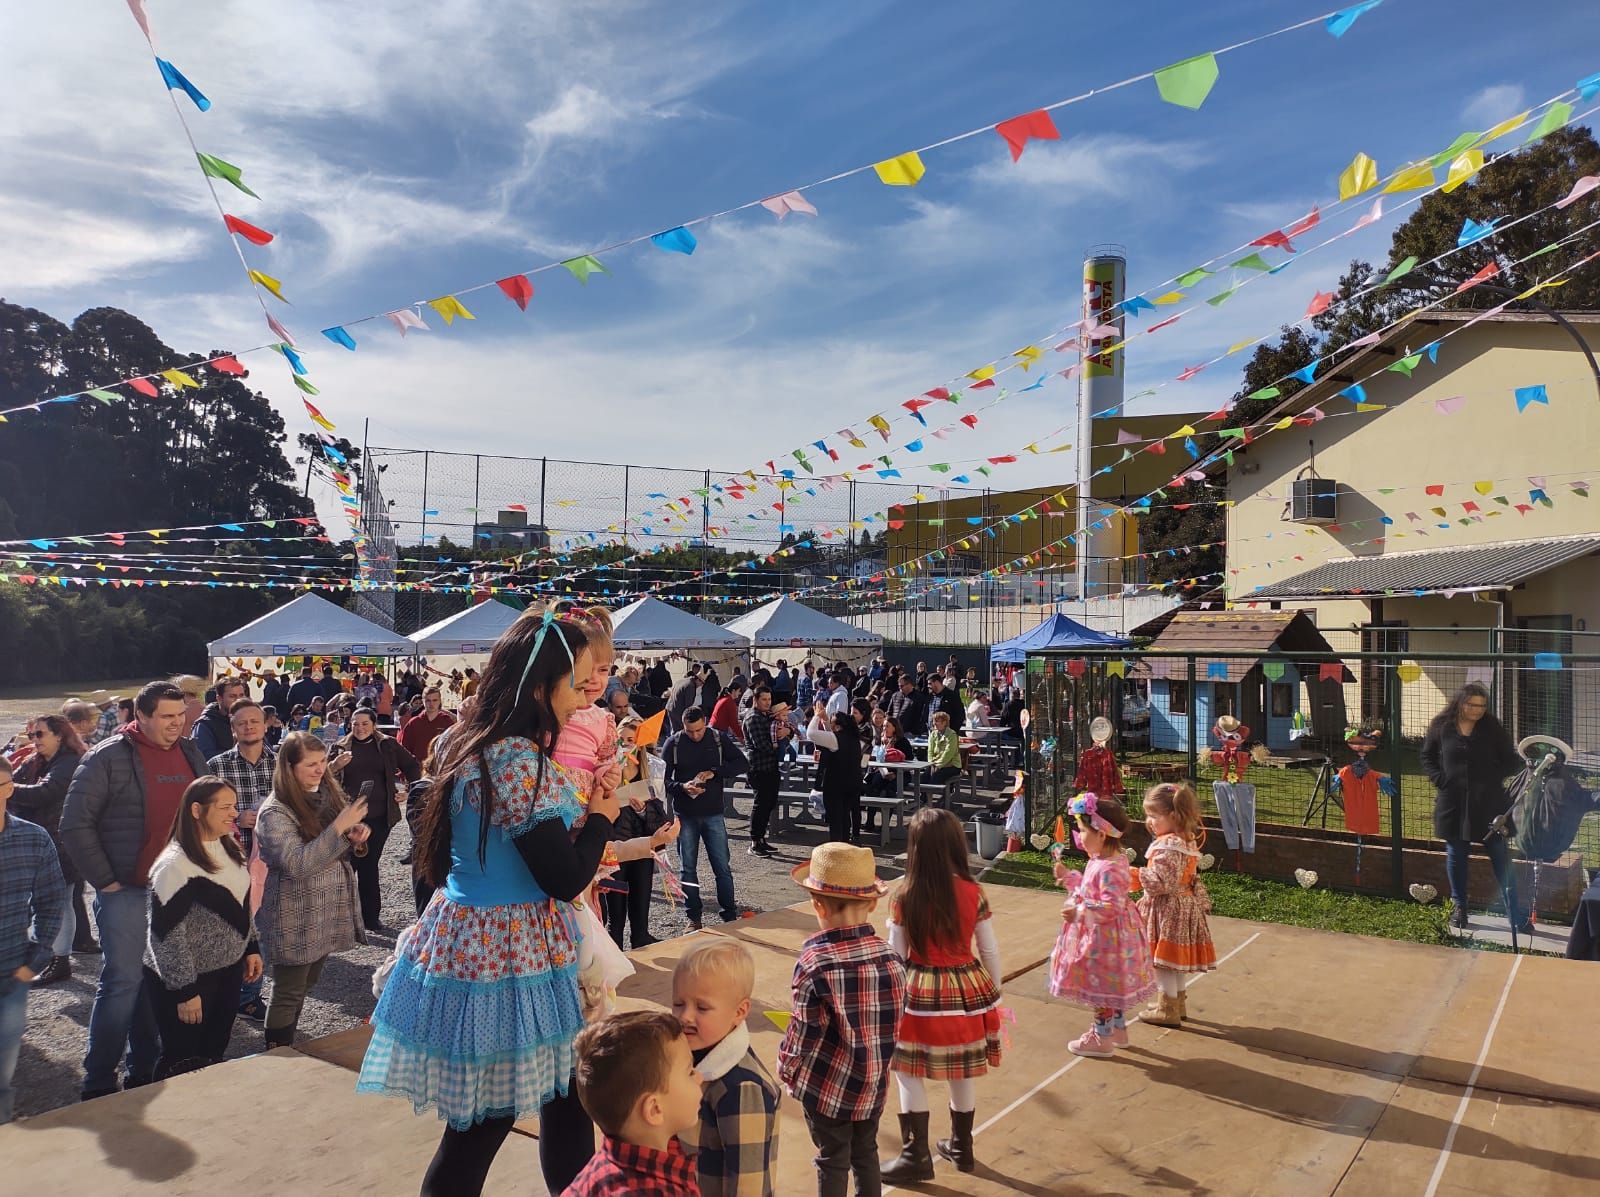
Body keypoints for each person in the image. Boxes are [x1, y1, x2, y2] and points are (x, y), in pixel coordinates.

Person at [357, 612, 617, 1197]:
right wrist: (602, 817)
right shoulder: (518, 760)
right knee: (493, 1122)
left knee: (544, 1104)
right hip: (510, 952)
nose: (582, 700)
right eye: (576, 685)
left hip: (478, 937)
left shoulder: (470, 742)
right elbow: (563, 878)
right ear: (540, 687)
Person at [62, 679, 207, 1101]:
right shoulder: (107, 757)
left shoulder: (190, 751)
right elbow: (74, 824)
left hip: (178, 889)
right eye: (166, 717)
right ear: (140, 715)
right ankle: (99, 1080)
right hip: (126, 890)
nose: (176, 724)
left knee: (155, 982)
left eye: (180, 716)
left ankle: (144, 1068)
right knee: (123, 982)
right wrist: (105, 880)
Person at [881, 808, 1003, 1181]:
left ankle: (915, 1155)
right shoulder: (974, 891)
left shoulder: (905, 895)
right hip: (966, 991)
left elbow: (896, 955)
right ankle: (962, 1147)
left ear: (916, 848)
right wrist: (993, 993)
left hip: (919, 994)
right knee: (961, 1070)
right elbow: (989, 950)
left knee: (907, 1071)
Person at [778, 843, 905, 1197]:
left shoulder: (814, 963)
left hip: (826, 1087)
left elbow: (803, 1030)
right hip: (872, 1086)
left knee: (832, 1158)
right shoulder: (891, 958)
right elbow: (893, 1023)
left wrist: (786, 1066)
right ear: (873, 903)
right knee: (865, 1153)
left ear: (817, 904)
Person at [142, 777, 262, 1079]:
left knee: (213, 1052)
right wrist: (185, 991)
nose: (234, 813)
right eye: (225, 807)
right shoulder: (174, 865)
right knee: (180, 1060)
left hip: (227, 972)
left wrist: (251, 946)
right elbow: (165, 937)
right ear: (196, 810)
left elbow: (242, 903)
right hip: (188, 981)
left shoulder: (230, 847)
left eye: (234, 806)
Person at [255, 732, 369, 1048]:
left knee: (307, 982)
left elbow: (334, 846)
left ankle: (287, 1047)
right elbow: (298, 864)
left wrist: (355, 837)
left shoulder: (324, 793)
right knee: (289, 990)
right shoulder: (275, 811)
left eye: (322, 761)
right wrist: (339, 827)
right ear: (289, 767)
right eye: (311, 764)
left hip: (323, 907)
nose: (321, 769)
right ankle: (277, 1054)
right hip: (294, 912)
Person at [1048, 793, 1155, 1058]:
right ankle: (1117, 1031)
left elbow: (1110, 906)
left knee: (1101, 987)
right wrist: (1070, 877)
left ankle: (1101, 1037)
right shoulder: (1102, 860)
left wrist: (1079, 912)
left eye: (1083, 830)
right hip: (1108, 934)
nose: (1078, 836)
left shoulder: (1110, 867)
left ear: (1101, 834)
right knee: (1110, 985)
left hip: (1106, 938)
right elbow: (1089, 890)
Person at [672, 939, 780, 1196]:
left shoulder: (742, 1088)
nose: (685, 1016)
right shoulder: (685, 1056)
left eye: (702, 1007)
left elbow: (748, 1184)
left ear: (739, 1012)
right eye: (678, 1003)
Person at [1420, 681, 1527, 930]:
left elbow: (1511, 760)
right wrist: (1441, 779)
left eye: (1482, 706)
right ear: (1460, 703)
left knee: (1500, 856)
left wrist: (1491, 778)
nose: (1478, 710)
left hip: (1490, 804)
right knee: (1456, 855)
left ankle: (1515, 914)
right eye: (1472, 705)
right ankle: (1460, 909)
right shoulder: (1442, 726)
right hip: (1453, 803)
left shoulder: (1492, 728)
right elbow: (1427, 756)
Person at [564, 1011, 705, 1197]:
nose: (700, 1078)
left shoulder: (607, 1165)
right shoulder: (649, 1191)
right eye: (689, 1072)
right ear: (654, 1109)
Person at [0, 755, 67, 1124]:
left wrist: (36, 959)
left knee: (2, 1076)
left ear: (9, 789)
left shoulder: (33, 839)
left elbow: (51, 901)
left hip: (11, 975)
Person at [208, 700, 277, 1019]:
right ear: (233, 729)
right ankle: (222, 991)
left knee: (260, 929)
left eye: (254, 721)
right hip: (229, 860)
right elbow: (200, 813)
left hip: (269, 861)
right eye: (242, 723)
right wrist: (236, 818)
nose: (249, 727)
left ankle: (248, 996)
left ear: (265, 725)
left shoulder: (280, 763)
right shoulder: (216, 766)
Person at [1132, 783, 1216, 1027]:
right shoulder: (1184, 840)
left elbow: (1161, 883)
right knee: (1173, 961)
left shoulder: (1167, 845)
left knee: (1164, 963)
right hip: (1182, 905)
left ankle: (1167, 1009)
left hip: (1168, 909)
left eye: (1154, 816)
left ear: (1173, 815)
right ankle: (1175, 1003)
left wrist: (1135, 874)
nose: (1149, 822)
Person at [10, 714, 86, 985]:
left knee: (61, 902)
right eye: (32, 735)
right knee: (43, 902)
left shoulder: (69, 762)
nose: (34, 739)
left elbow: (45, 793)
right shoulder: (35, 760)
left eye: (40, 734)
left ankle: (60, 961)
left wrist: (7, 789)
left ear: (59, 735)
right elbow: (13, 779)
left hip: (62, 844)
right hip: (41, 843)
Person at [331, 708, 422, 932]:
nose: (360, 728)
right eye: (355, 724)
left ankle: (370, 917)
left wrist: (408, 790)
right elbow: (323, 778)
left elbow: (412, 766)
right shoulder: (340, 747)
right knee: (347, 865)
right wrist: (335, 766)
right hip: (349, 818)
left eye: (365, 723)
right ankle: (339, 917)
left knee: (369, 863)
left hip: (380, 815)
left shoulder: (387, 745)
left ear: (374, 725)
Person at [661, 708, 749, 931]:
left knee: (722, 867)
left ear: (706, 723)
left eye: (699, 730)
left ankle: (729, 914)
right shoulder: (673, 743)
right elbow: (661, 780)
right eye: (690, 731)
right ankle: (693, 917)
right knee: (687, 868)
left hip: (713, 813)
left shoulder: (718, 738)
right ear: (682, 726)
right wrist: (682, 787)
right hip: (685, 814)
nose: (695, 735)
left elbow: (742, 763)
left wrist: (715, 772)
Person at [605, 716, 674, 951]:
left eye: (630, 740)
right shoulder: (607, 771)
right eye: (621, 739)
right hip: (616, 849)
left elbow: (660, 817)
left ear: (639, 743)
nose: (625, 745)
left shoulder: (649, 771)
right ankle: (614, 953)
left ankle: (641, 942)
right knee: (615, 913)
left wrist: (644, 811)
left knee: (641, 904)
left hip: (643, 848)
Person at [806, 702, 863, 846]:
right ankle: (845, 845)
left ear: (837, 726)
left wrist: (816, 716)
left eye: (832, 724)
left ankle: (836, 847)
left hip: (836, 785)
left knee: (836, 818)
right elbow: (831, 737)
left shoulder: (835, 738)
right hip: (852, 784)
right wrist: (825, 720)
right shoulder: (853, 738)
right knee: (845, 817)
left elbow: (811, 734)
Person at [740, 689, 783, 860]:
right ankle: (755, 841)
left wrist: (784, 734)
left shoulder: (766, 716)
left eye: (769, 699)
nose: (767, 702)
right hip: (759, 768)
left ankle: (762, 838)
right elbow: (762, 745)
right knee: (761, 805)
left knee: (769, 804)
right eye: (764, 699)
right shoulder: (753, 718)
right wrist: (779, 740)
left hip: (771, 767)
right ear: (755, 700)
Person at [191, 677, 245, 761]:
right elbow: (203, 756)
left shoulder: (248, 720)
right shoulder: (205, 725)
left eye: (241, 696)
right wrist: (240, 754)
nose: (238, 701)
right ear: (219, 699)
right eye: (232, 696)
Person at [925, 711, 963, 789]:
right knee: (924, 776)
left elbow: (948, 753)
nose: (934, 723)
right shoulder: (933, 734)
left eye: (937, 721)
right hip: (935, 763)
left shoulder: (952, 735)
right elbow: (930, 751)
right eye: (933, 721)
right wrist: (931, 763)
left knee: (935, 777)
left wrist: (938, 765)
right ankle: (922, 795)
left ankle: (935, 794)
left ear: (944, 722)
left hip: (952, 765)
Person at [665, 664, 704, 736]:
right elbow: (688, 705)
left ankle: (673, 741)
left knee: (674, 731)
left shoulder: (683, 681)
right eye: (702, 683)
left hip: (670, 707)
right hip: (678, 710)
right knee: (681, 732)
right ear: (697, 680)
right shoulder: (690, 686)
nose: (701, 685)